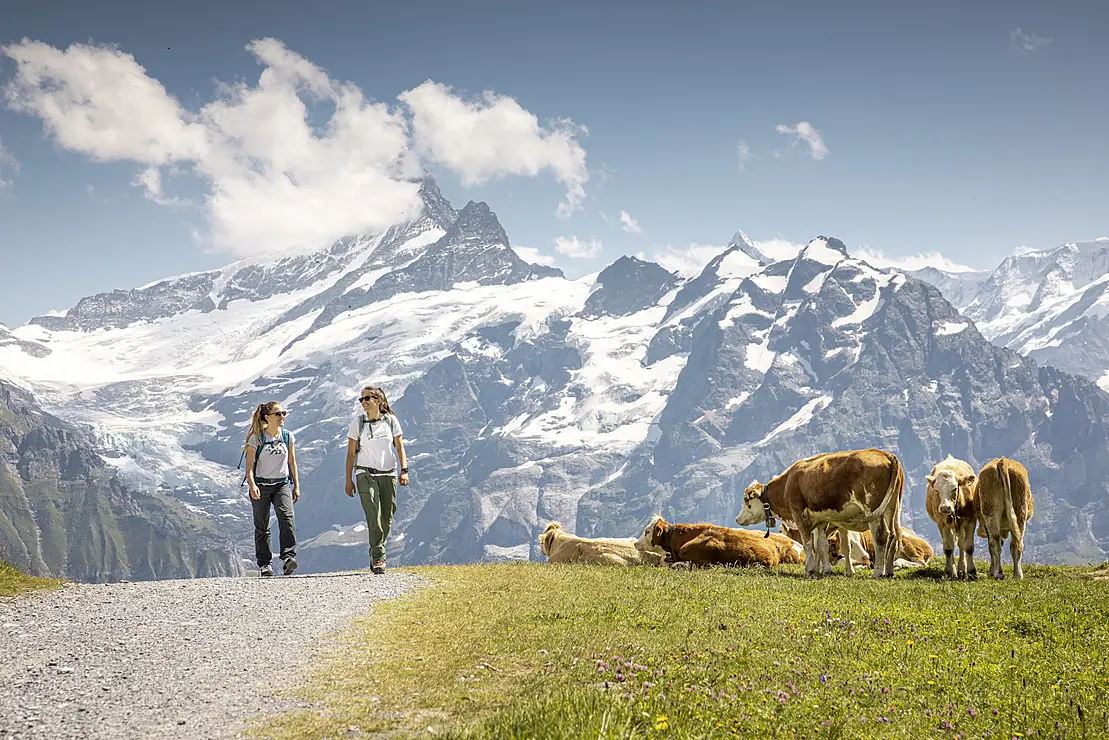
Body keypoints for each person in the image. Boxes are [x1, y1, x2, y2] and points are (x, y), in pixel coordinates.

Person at [345, 386, 408, 574]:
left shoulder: (391, 421)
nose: (363, 402)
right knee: (373, 511)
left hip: (388, 473)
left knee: (387, 516)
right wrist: (348, 479)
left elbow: (399, 448)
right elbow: (350, 454)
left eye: (367, 398)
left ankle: (374, 549)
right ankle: (379, 555)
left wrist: (404, 470)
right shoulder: (358, 423)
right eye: (361, 399)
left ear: (378, 400)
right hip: (365, 473)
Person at [244, 401, 300, 577]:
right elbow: (249, 467)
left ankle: (288, 557)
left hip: (281, 484)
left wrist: (296, 485)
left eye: (284, 413)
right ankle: (264, 564)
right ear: (268, 417)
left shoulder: (288, 436)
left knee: (287, 517)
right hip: (261, 484)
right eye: (278, 414)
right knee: (262, 526)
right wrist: (252, 485)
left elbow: (292, 462)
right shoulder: (257, 438)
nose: (282, 417)